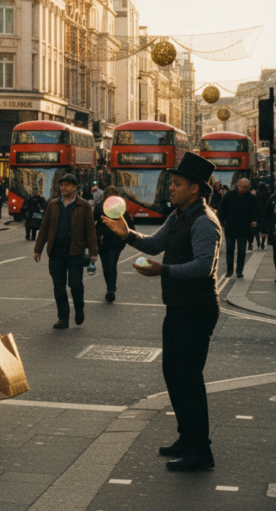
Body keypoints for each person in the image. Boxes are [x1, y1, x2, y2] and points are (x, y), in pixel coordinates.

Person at [102, 152, 222, 472]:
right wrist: (126, 233)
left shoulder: (204, 222)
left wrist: (162, 271)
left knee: (189, 378)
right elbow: (155, 244)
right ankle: (187, 437)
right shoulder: (179, 215)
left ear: (195, 189)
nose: (171, 188)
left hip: (197, 308)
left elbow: (203, 267)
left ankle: (201, 450)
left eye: (178, 183)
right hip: (178, 306)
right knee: (174, 374)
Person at [34, 174, 98, 329]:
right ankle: (63, 318)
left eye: (67, 185)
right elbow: (44, 228)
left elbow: (90, 230)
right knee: (59, 286)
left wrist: (93, 252)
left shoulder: (84, 206)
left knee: (75, 284)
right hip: (56, 252)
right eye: (61, 185)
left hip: (75, 252)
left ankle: (79, 307)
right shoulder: (53, 205)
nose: (63, 188)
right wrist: (38, 249)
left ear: (74, 187)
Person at [93, 186, 133, 303]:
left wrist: (131, 237)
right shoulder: (100, 206)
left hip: (116, 241)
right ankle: (109, 288)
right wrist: (93, 237)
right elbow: (92, 221)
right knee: (105, 266)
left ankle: (111, 289)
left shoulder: (120, 207)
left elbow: (128, 223)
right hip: (102, 240)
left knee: (111, 263)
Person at [217, 178, 257, 279]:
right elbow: (221, 208)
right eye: (243, 187)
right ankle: (229, 270)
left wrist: (254, 221)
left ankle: (239, 270)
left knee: (241, 250)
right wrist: (222, 222)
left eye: (247, 188)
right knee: (230, 248)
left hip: (244, 228)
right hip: (230, 226)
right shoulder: (230, 195)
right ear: (238, 185)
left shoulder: (251, 198)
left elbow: (254, 212)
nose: (245, 189)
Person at [254, 182, 270, 250]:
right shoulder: (268, 195)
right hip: (265, 215)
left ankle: (258, 242)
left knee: (257, 230)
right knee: (264, 230)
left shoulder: (256, 195)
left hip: (257, 215)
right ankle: (262, 242)